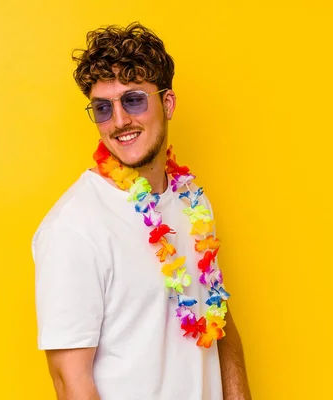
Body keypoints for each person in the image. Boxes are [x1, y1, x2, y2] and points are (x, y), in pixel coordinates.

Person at [33, 22, 251, 400]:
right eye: (103, 108)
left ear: (167, 103)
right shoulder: (74, 228)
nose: (119, 121)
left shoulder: (192, 202)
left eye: (133, 100)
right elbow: (71, 382)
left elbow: (219, 318)